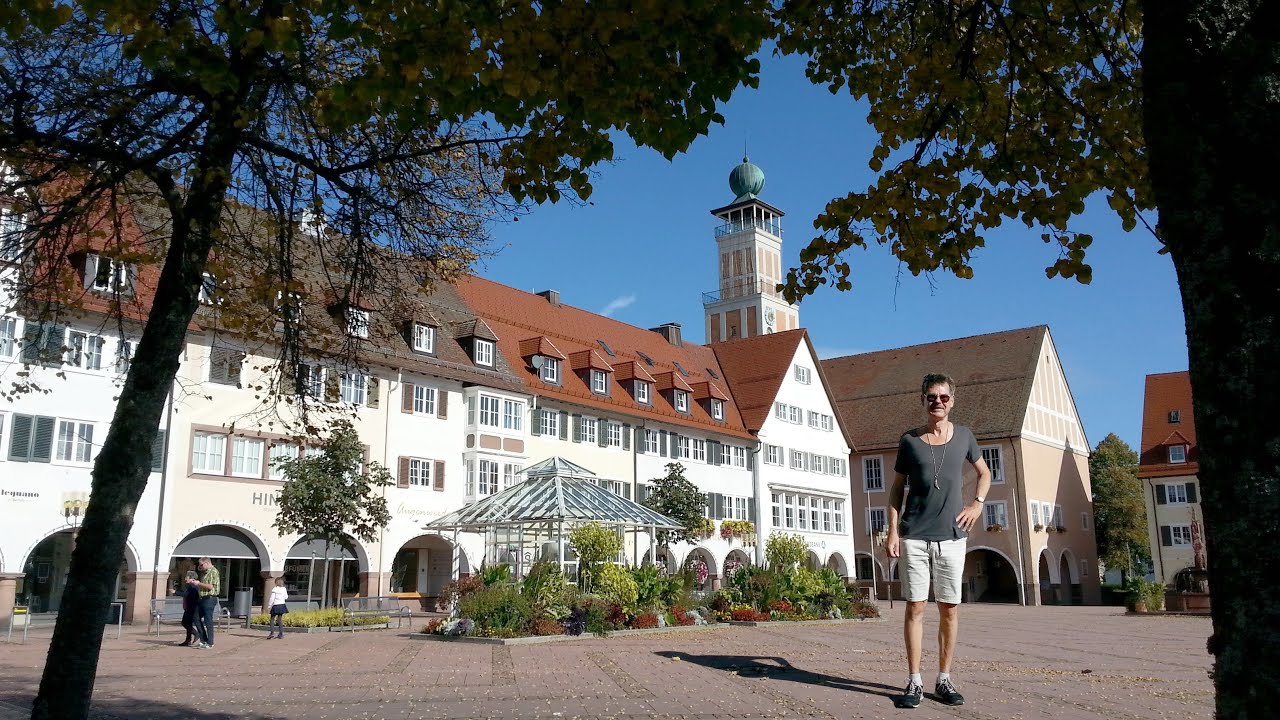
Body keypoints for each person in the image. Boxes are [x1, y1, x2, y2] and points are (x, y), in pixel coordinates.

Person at [885, 373, 991, 709]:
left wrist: (977, 504)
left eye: (944, 397)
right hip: (914, 536)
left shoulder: (964, 437)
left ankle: (944, 679)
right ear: (923, 400)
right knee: (915, 607)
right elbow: (896, 489)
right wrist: (892, 531)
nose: (938, 402)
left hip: (952, 537)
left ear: (952, 401)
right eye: (932, 397)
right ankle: (914, 680)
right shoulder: (909, 441)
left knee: (949, 609)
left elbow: (984, 473)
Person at [193, 557, 221, 649]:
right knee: (196, 618)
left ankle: (210, 642)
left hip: (209, 598)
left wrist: (198, 583)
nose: (200, 567)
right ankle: (203, 639)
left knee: (208, 620)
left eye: (201, 565)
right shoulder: (206, 573)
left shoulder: (213, 572)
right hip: (202, 598)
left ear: (206, 563)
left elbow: (210, 587)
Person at [177, 570, 200, 646]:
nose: (185, 579)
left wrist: (175, 592)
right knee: (188, 623)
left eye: (186, 577)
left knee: (185, 623)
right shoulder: (190, 586)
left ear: (191, 578)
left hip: (191, 608)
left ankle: (196, 633)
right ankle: (188, 640)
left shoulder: (193, 586)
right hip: (188, 607)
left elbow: (187, 595)